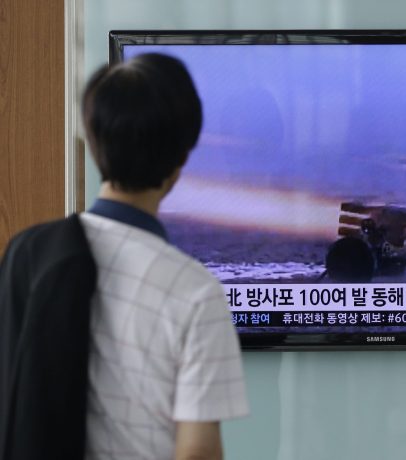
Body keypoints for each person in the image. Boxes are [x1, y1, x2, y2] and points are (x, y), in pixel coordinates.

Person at [0, 53, 248, 460]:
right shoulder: (195, 292)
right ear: (181, 157)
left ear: (94, 142)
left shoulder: (26, 254)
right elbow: (197, 453)